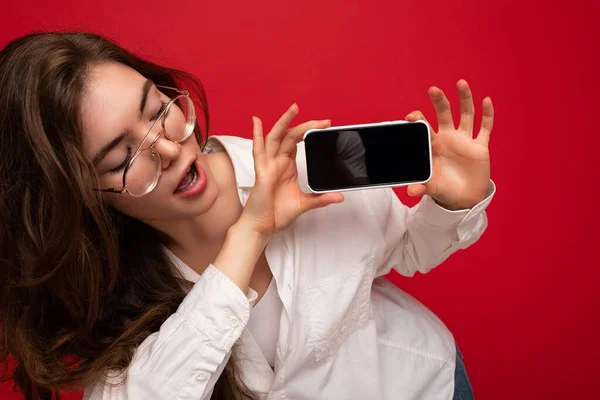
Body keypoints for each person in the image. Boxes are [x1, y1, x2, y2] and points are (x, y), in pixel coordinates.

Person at [0, 32, 495, 400]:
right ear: (84, 194)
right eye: (122, 157)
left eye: (155, 110)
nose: (170, 147)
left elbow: (409, 248)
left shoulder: (304, 168)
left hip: (426, 384)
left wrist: (452, 202)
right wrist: (249, 235)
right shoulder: (109, 296)